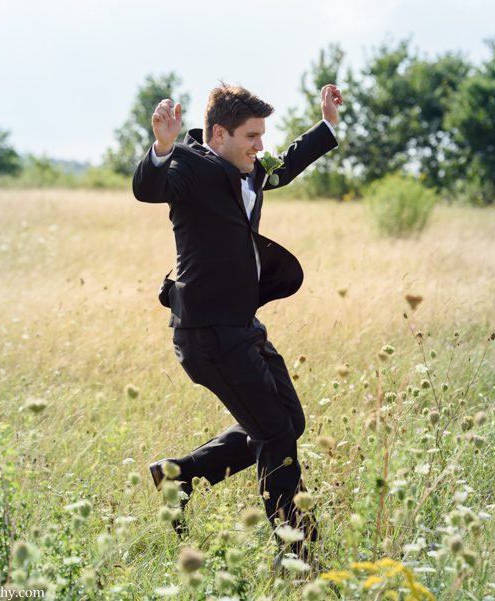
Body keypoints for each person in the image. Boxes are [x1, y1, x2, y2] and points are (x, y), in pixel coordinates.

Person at [132, 83, 342, 559]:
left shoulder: (248, 167)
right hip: (207, 332)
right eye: (251, 136)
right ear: (219, 133)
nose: (260, 146)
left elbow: (281, 167)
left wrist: (325, 124)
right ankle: (299, 553)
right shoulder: (188, 165)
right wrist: (162, 147)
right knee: (274, 435)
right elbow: (150, 187)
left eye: (262, 135)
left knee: (289, 421)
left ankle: (179, 475)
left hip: (242, 326)